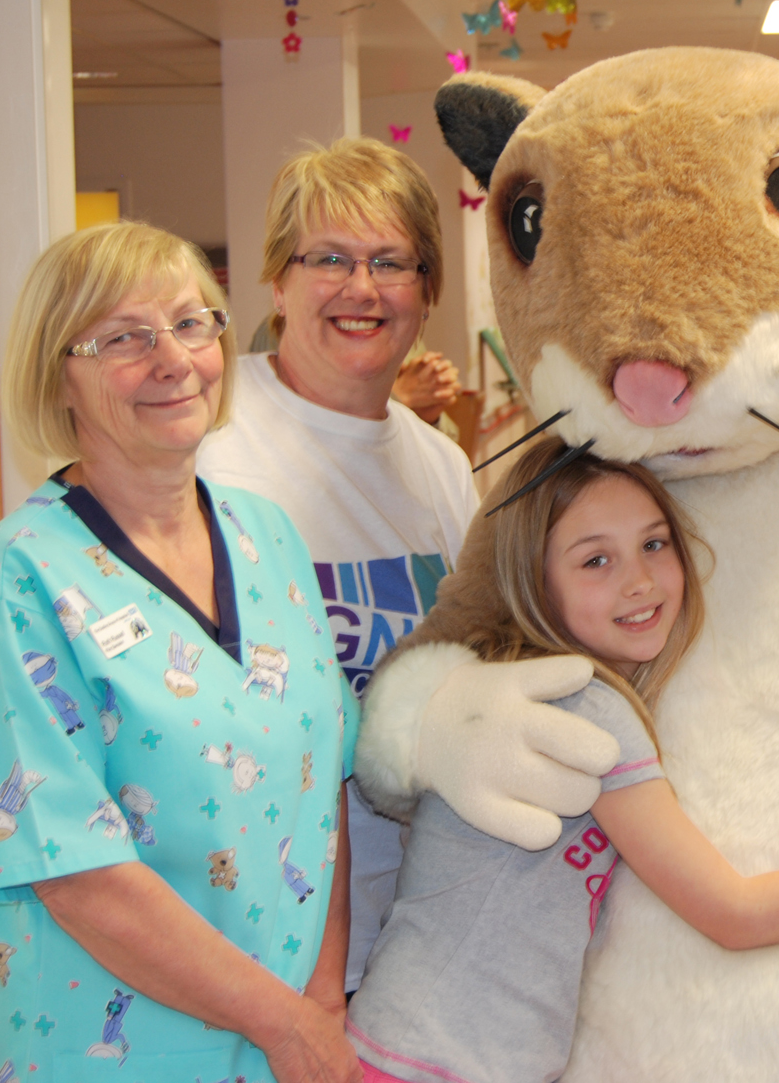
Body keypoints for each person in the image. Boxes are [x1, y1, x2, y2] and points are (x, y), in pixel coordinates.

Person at [346, 436, 779, 1083]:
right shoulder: (581, 703)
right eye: (594, 561)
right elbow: (735, 913)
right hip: (425, 1063)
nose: (638, 581)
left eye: (654, 544)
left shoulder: (535, 689)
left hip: (413, 1048)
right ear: (535, 582)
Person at [0, 222, 360, 1082]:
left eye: (191, 324)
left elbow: (325, 785)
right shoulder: (15, 578)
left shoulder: (268, 537)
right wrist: (286, 1024)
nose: (173, 360)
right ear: (58, 376)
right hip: (113, 1051)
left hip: (289, 1038)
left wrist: (323, 1000)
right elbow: (75, 870)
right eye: (125, 339)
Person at [198, 137, 500, 994]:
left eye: (391, 263)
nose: (360, 288)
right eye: (328, 258)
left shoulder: (440, 468)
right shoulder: (208, 437)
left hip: (406, 930)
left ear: (427, 291)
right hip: (248, 936)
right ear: (277, 281)